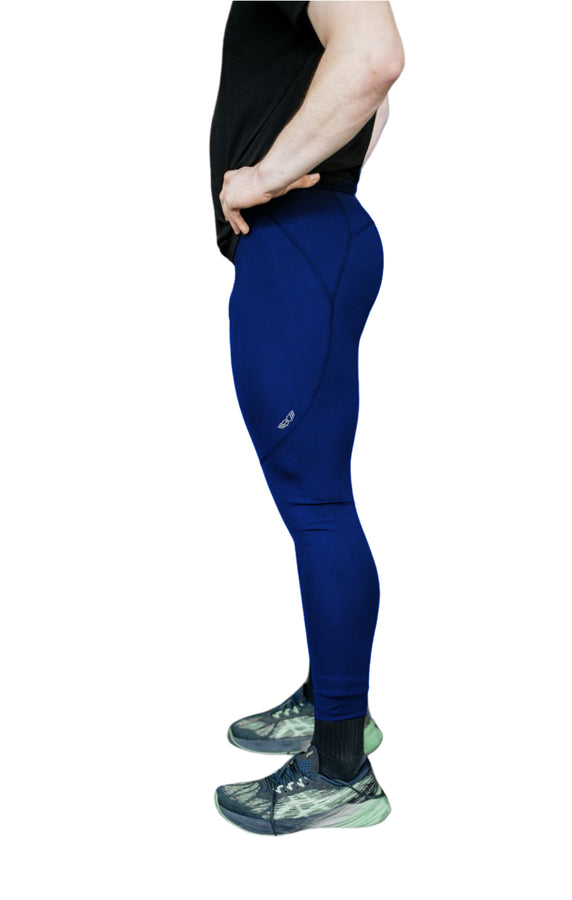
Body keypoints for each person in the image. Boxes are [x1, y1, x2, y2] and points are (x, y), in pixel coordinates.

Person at [209, 1, 404, 835]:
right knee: (314, 502)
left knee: (318, 504)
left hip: (299, 249)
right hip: (306, 248)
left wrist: (265, 175)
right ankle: (332, 699)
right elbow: (364, 95)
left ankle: (340, 767)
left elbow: (374, 60)